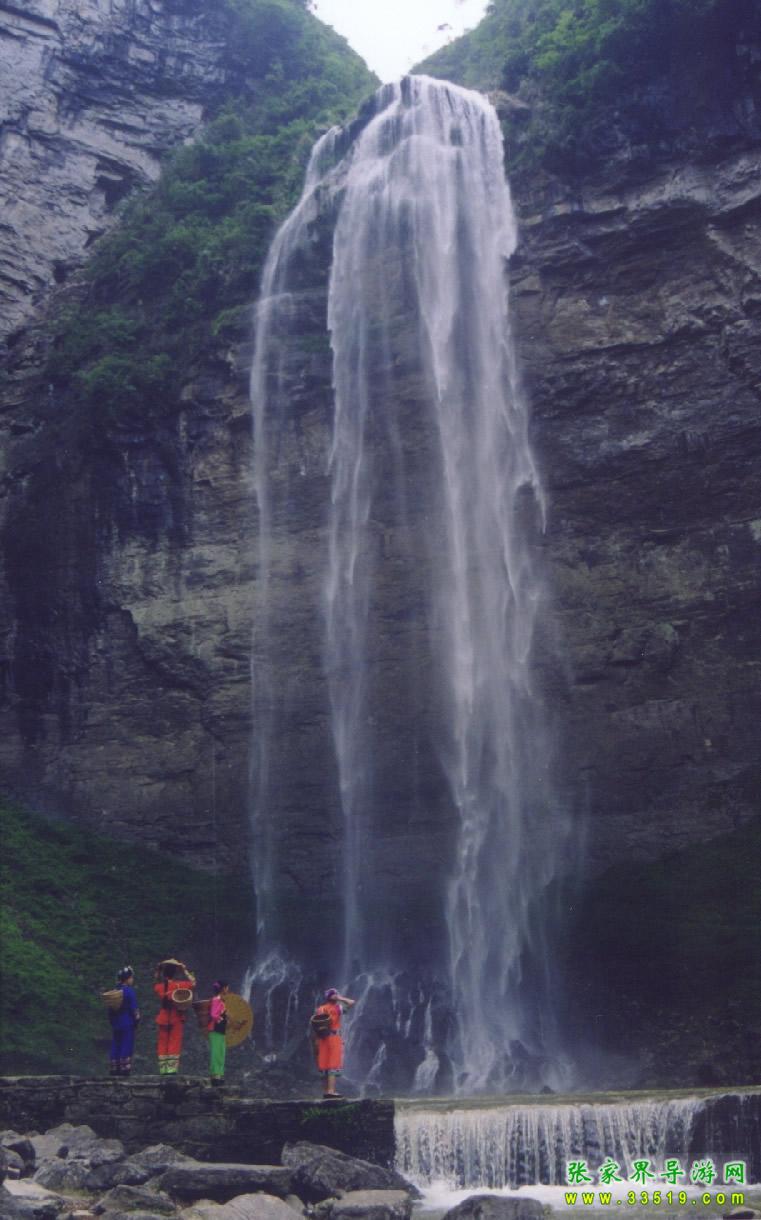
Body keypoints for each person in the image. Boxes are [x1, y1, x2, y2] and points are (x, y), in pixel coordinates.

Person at [154, 958, 196, 1075]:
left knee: (162, 1042)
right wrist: (184, 970)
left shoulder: (159, 987)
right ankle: (171, 1069)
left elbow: (156, 982)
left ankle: (163, 1069)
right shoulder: (179, 985)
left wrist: (158, 970)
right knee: (174, 1041)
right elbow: (193, 982)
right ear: (175, 973)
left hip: (163, 1017)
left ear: (164, 973)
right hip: (176, 1017)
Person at [311, 987, 355, 1099]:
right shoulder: (337, 1008)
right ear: (331, 997)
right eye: (334, 994)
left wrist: (316, 1040)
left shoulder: (321, 1009)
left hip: (322, 1038)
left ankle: (327, 1091)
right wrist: (340, 998)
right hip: (333, 1038)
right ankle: (331, 1091)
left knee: (324, 1064)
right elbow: (351, 1002)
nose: (336, 995)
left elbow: (316, 1025)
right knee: (333, 1064)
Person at [108, 966, 140, 1077]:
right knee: (126, 1044)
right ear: (127, 979)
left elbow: (110, 1010)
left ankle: (114, 1068)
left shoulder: (114, 992)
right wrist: (137, 1021)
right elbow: (134, 1010)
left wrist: (113, 1022)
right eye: (131, 977)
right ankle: (124, 1068)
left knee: (116, 1044)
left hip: (116, 1023)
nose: (132, 980)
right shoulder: (129, 992)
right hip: (127, 1023)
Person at [207, 980, 229, 1085]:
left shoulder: (220, 1000)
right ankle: (215, 1076)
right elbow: (213, 1014)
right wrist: (220, 1019)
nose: (228, 990)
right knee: (216, 1052)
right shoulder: (217, 1000)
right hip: (215, 1029)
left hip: (220, 1030)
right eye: (227, 987)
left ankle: (219, 1074)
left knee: (221, 1052)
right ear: (223, 988)